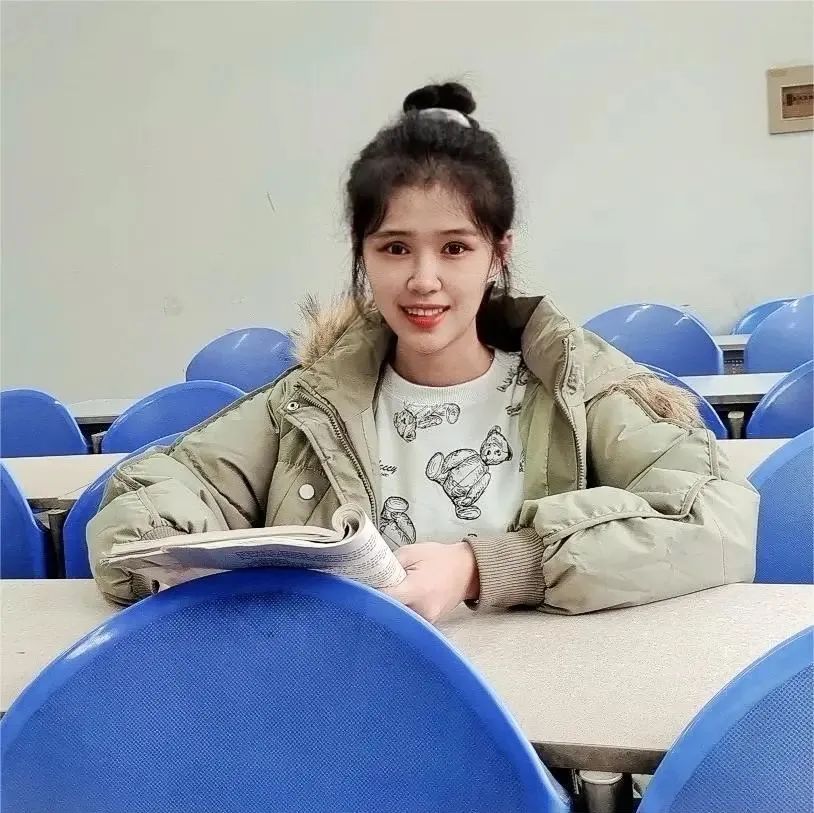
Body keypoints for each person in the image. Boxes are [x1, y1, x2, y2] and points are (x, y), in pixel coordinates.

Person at [88, 82, 758, 621]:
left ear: (499, 254)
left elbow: (716, 519)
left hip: (536, 706)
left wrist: (486, 565)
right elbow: (140, 504)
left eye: (456, 247)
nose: (423, 279)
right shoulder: (306, 406)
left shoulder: (577, 392)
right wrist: (187, 568)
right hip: (342, 698)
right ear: (363, 255)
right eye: (395, 248)